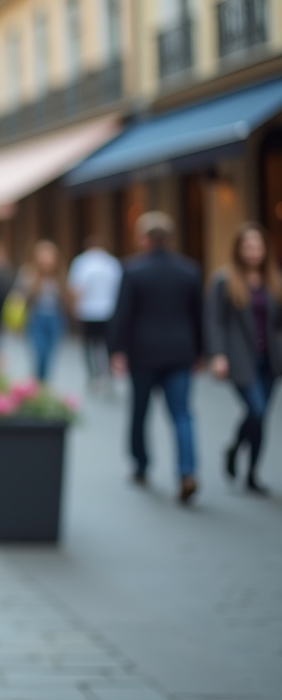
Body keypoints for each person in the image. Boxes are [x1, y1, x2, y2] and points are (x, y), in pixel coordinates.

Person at [108, 212, 203, 503]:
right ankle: (187, 472)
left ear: (144, 239)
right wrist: (201, 351)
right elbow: (198, 316)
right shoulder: (189, 270)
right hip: (180, 352)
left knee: (140, 411)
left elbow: (122, 315)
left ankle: (141, 464)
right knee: (182, 414)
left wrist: (116, 351)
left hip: (143, 352)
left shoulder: (133, 270)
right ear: (170, 239)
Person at [206, 222, 282, 495]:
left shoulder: (274, 280)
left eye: (257, 245)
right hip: (240, 357)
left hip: (270, 360)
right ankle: (234, 448)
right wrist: (218, 355)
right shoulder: (224, 280)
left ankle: (252, 473)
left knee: (261, 417)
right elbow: (214, 321)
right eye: (247, 246)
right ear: (238, 249)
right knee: (256, 410)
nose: (253, 251)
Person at [68, 236, 123, 393]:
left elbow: (77, 288)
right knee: (107, 345)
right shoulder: (111, 262)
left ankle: (94, 376)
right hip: (109, 311)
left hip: (88, 311)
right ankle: (108, 375)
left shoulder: (81, 262)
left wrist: (74, 308)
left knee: (89, 346)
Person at [16, 240, 66, 383]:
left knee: (50, 355)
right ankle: (37, 383)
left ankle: (43, 383)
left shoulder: (59, 275)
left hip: (55, 317)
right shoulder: (29, 272)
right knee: (40, 353)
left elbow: (65, 299)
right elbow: (20, 296)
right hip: (35, 317)